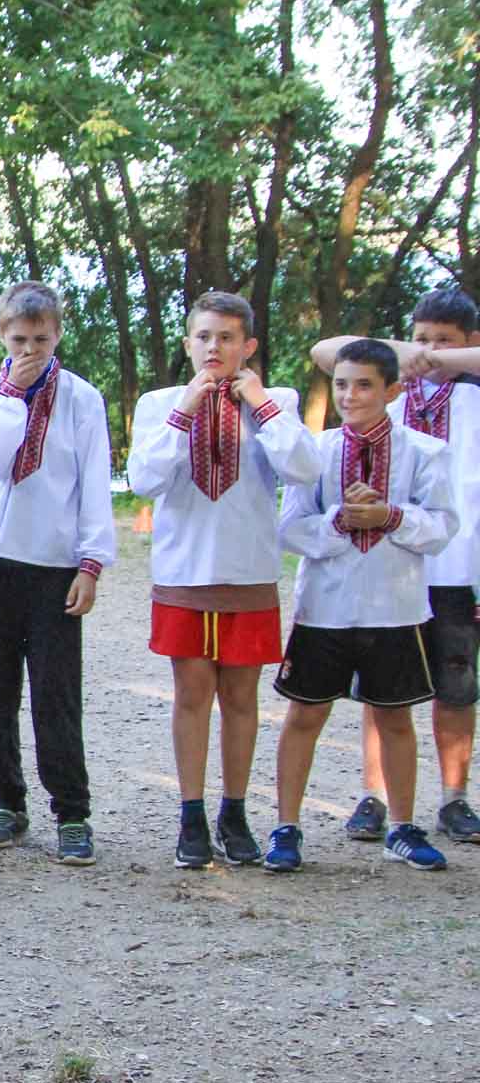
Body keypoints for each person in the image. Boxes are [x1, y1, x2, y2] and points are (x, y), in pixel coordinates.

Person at [126, 291, 319, 869]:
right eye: (205, 336)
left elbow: (303, 468)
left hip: (248, 572)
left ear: (247, 345)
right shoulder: (161, 403)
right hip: (185, 573)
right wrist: (185, 408)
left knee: (240, 698)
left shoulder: (276, 401)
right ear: (189, 343)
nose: (215, 347)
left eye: (227, 337)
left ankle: (235, 812)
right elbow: (144, 480)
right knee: (191, 695)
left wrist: (259, 402)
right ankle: (191, 814)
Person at [268, 339, 456, 873]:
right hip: (325, 608)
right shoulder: (315, 452)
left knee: (395, 717)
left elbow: (443, 526)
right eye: (342, 384)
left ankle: (402, 826)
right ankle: (287, 827)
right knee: (305, 714)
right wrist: (339, 522)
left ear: (392, 391)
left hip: (395, 608)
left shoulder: (425, 452)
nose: (350, 396)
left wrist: (391, 517)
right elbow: (290, 529)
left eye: (365, 385)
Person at [308, 288, 480, 846]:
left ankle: (454, 797)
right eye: (420, 338)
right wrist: (411, 354)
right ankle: (374, 795)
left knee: (456, 687)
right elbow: (326, 350)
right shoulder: (388, 389)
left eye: (444, 341)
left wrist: (443, 360)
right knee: (384, 692)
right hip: (389, 569)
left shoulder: (473, 393)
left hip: (456, 567)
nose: (429, 350)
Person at [0, 282, 117, 866]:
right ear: (3, 335)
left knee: (56, 693)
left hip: (55, 566)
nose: (30, 351)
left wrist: (91, 564)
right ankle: (8, 801)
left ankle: (72, 811)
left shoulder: (82, 398)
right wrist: (12, 397)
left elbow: (94, 483)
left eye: (41, 340)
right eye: (20, 340)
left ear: (58, 335)